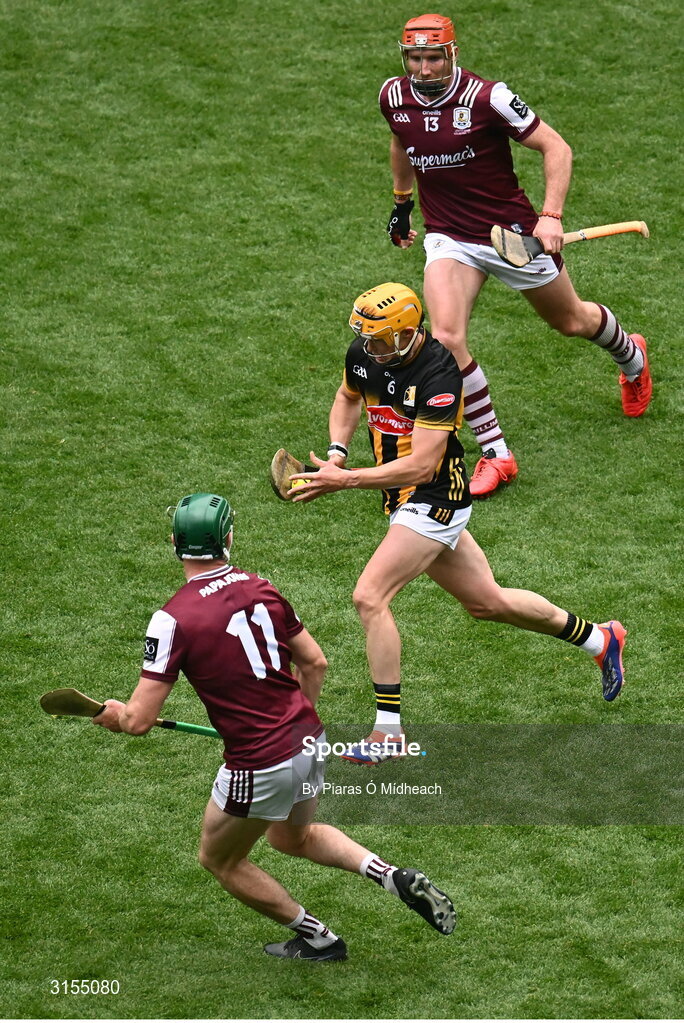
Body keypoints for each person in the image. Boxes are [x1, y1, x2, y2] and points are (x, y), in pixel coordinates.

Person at [91, 491, 456, 960]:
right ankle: (389, 875)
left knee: (219, 859)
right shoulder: (260, 586)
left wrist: (115, 715)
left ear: (174, 543)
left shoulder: (171, 619)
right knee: (291, 837)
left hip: (257, 765)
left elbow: (139, 721)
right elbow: (316, 663)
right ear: (227, 538)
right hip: (308, 738)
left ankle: (318, 938)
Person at [288, 283, 627, 764]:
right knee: (488, 603)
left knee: (369, 596)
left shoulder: (439, 372)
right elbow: (347, 398)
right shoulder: (365, 353)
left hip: (434, 497)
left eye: (382, 340)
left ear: (407, 334)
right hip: (401, 499)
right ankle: (600, 637)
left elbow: (421, 466)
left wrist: (345, 481)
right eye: (367, 339)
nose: (372, 348)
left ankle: (389, 732)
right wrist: (339, 453)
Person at [380, 13, 652, 498]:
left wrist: (550, 216)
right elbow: (402, 142)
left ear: (452, 55)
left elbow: (557, 148)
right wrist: (402, 204)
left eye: (433, 57)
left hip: (510, 236)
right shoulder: (393, 97)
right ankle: (497, 454)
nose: (423, 68)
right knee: (444, 337)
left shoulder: (488, 98)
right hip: (449, 236)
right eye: (415, 58)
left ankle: (631, 356)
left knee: (571, 321)